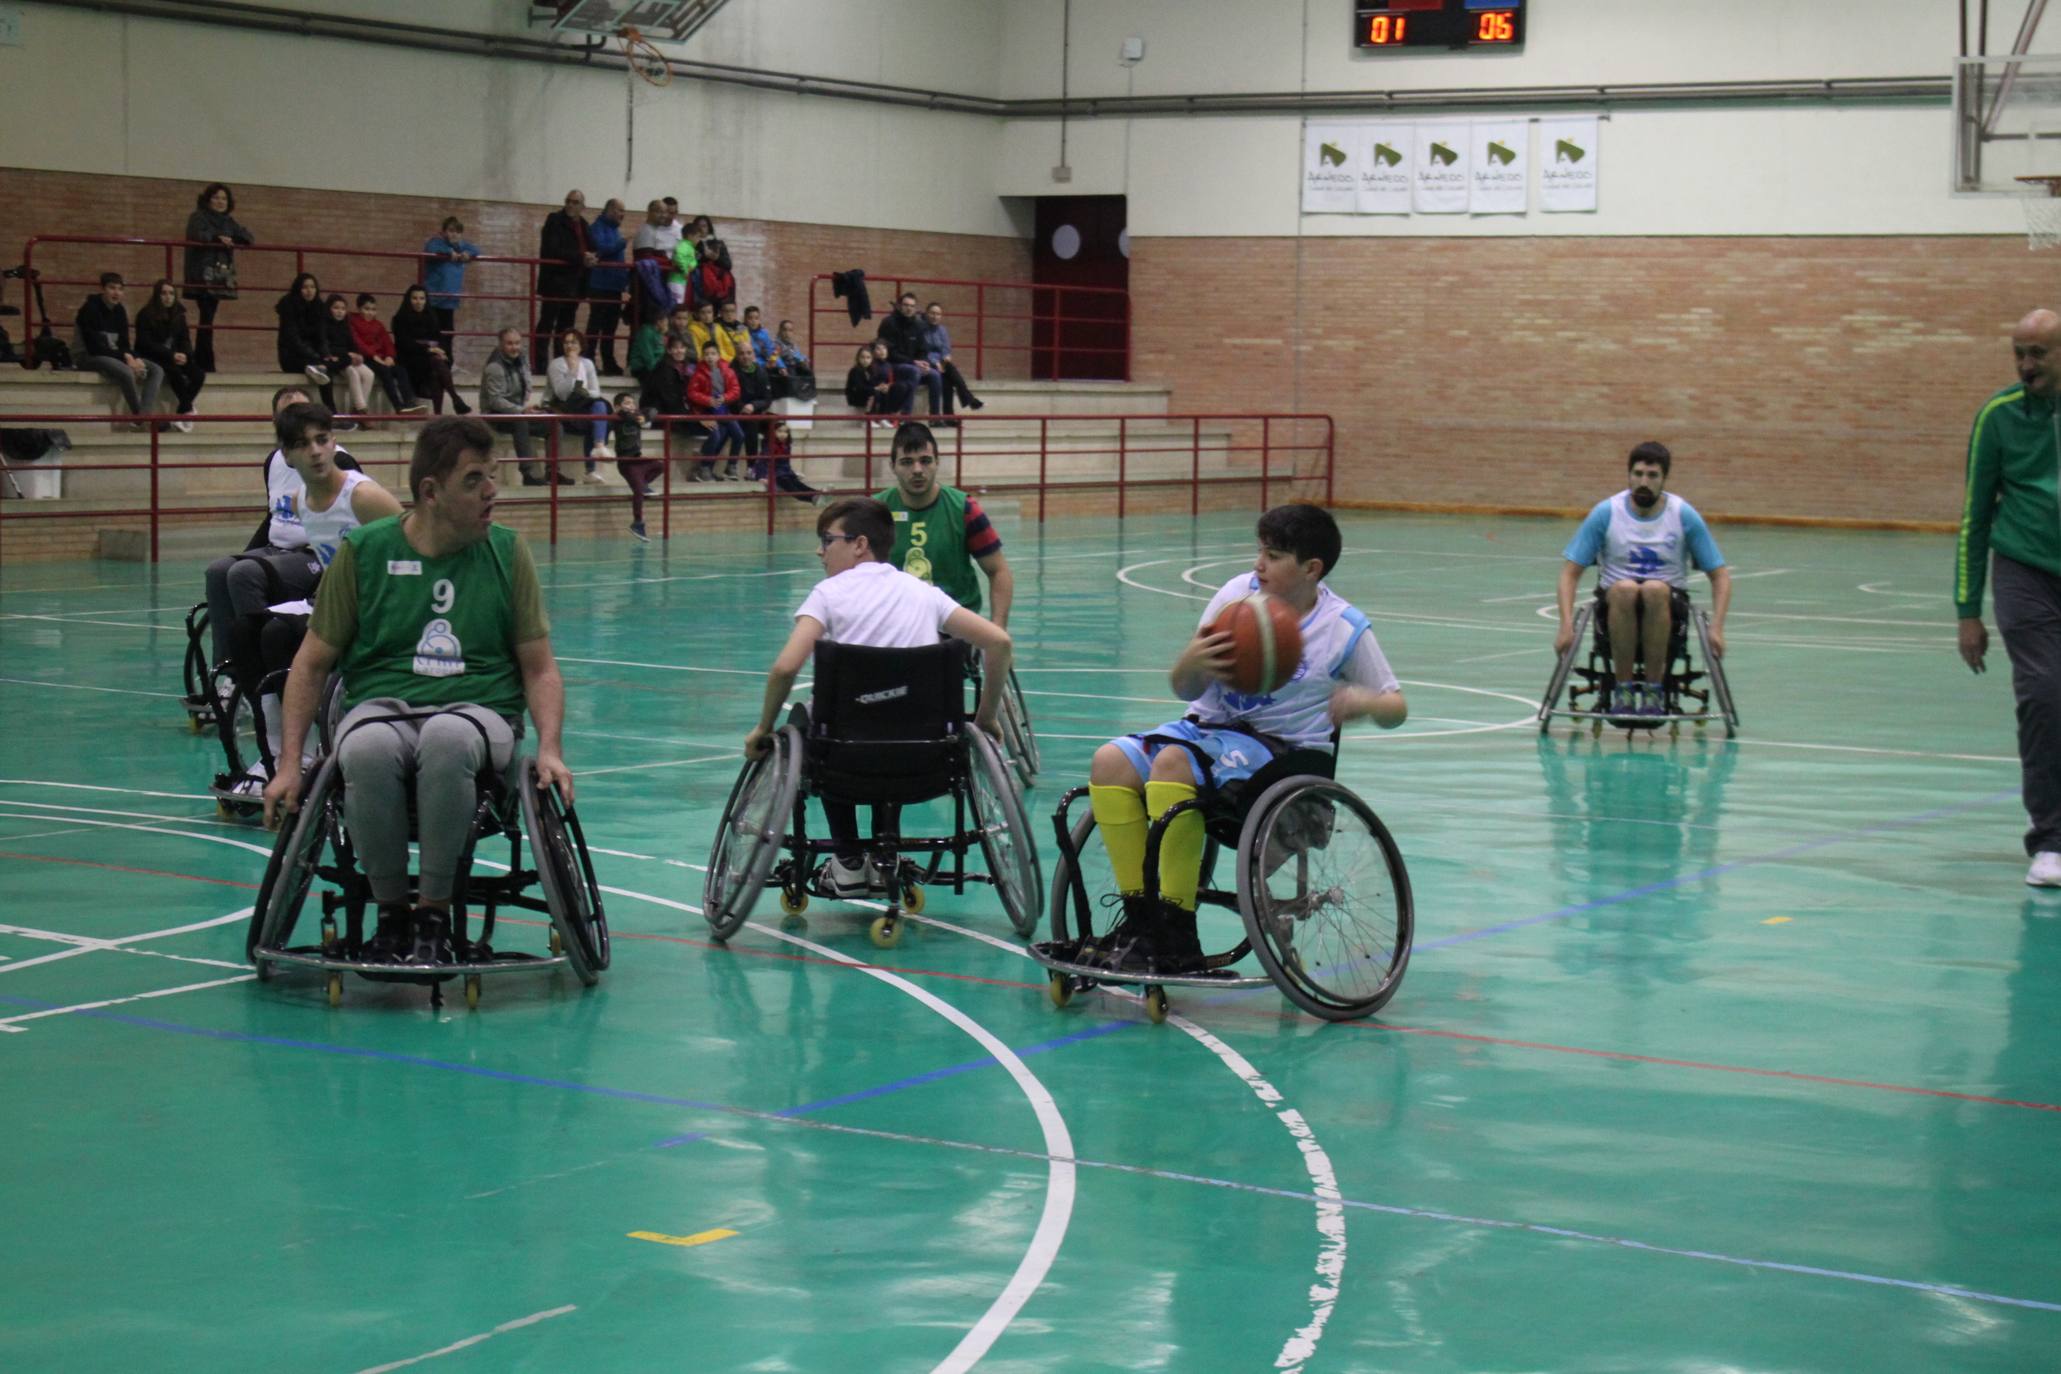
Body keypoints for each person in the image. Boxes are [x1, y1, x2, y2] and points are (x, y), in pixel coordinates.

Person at [263, 417, 573, 966]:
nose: (491, 491)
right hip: (382, 705)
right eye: (475, 479)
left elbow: (540, 669)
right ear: (430, 492)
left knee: (448, 737)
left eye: (492, 476)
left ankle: (432, 911)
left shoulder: (507, 552)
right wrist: (289, 764)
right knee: (363, 749)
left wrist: (549, 748)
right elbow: (310, 666)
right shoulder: (364, 552)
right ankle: (390, 914)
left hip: (479, 710)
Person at [1086, 503, 1406, 974]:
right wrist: (1191, 661)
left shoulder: (1342, 628)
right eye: (1260, 551)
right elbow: (1184, 689)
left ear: (1311, 568)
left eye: (1273, 556)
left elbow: (1396, 706)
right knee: (1108, 761)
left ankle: (1175, 934)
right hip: (1207, 732)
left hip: (1281, 755)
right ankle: (1142, 919)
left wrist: (1365, 703)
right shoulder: (1238, 597)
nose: (1259, 564)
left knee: (1173, 762)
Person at [743, 496, 1012, 897]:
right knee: (897, 719)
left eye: (827, 539)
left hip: (842, 761)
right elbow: (999, 642)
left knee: (820, 719)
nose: (820, 550)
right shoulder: (925, 594)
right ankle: (885, 856)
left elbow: (785, 668)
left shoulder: (827, 594)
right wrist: (987, 717)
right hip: (924, 762)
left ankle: (849, 860)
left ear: (859, 544)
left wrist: (763, 728)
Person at [219, 401, 405, 798]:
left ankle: (299, 754)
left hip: (381, 612)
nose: (317, 451)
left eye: (323, 440)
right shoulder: (304, 502)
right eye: (304, 444)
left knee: (278, 638)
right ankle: (272, 753)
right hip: (336, 607)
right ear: (287, 454)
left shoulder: (364, 495)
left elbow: (415, 553)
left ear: (334, 442)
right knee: (245, 631)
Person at [1956, 307, 2061, 887]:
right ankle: (2050, 839)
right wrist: (1968, 611)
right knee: (2045, 696)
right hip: (2026, 571)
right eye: (2019, 354)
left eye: (2038, 354)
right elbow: (1975, 517)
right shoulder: (1997, 417)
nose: (2026, 365)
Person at [1554, 441, 1731, 720]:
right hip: (1614, 602)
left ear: (1664, 479)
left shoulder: (1683, 514)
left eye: (1652, 475)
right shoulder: (1606, 512)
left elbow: (1719, 576)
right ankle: (1623, 690)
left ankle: (1654, 689)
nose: (1643, 482)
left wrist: (1717, 628)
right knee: (1625, 588)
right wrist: (1565, 625)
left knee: (1654, 589)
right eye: (1637, 474)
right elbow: (1569, 573)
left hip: (1669, 605)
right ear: (1628, 476)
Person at [199, 385, 358, 690]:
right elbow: (273, 517)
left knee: (244, 574)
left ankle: (262, 680)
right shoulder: (274, 462)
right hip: (277, 550)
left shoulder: (341, 466)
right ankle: (228, 677)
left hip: (314, 557)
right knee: (220, 571)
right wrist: (244, 554)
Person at [873, 420, 1013, 626]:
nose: (917, 469)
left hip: (954, 631)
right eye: (907, 462)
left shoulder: (964, 508)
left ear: (937, 462)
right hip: (895, 627)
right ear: (892, 466)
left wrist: (998, 630)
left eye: (926, 460)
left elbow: (998, 571)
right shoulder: (875, 511)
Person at [74, 273, 164, 429]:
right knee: (125, 372)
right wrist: (126, 357)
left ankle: (144, 415)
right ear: (102, 289)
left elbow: (124, 343)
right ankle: (141, 418)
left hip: (114, 356)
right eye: (112, 288)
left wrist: (135, 358)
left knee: (157, 370)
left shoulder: (120, 311)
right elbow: (95, 348)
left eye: (120, 289)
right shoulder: (89, 309)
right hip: (87, 356)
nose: (116, 293)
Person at [181, 182, 252, 373]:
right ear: (208, 199)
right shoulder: (198, 217)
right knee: (206, 317)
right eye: (216, 198)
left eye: (224, 198)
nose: (220, 202)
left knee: (208, 317)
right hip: (202, 274)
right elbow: (198, 236)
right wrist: (218, 238)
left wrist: (233, 239)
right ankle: (204, 361)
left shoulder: (228, 220)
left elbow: (248, 237)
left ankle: (203, 359)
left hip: (220, 275)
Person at [480, 326, 564, 485]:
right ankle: (528, 473)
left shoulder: (522, 359)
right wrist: (522, 410)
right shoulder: (495, 367)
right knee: (520, 421)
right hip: (495, 414)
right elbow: (495, 400)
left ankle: (553, 472)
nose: (515, 347)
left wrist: (531, 410)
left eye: (517, 343)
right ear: (500, 345)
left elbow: (526, 386)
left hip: (518, 411)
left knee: (554, 424)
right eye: (510, 344)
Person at [133, 277, 204, 431]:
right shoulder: (145, 315)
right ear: (157, 295)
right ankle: (187, 410)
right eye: (164, 293)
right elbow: (145, 343)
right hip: (154, 356)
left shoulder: (179, 315)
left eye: (171, 293)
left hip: (175, 356)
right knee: (174, 373)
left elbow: (185, 339)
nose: (168, 297)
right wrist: (171, 354)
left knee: (198, 374)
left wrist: (185, 354)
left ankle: (182, 411)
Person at [535, 189, 593, 369]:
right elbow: (552, 249)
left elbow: (591, 246)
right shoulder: (554, 220)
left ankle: (560, 362)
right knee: (547, 322)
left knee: (566, 325)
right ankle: (541, 364)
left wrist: (593, 257)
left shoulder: (584, 224)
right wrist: (581, 257)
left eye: (575, 202)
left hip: (575, 282)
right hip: (555, 281)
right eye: (568, 201)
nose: (570, 205)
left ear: (583, 206)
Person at [348, 294, 430, 418]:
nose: (370, 313)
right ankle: (398, 406)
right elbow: (357, 342)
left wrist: (390, 356)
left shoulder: (378, 325)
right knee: (385, 372)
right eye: (366, 309)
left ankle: (409, 402)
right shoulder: (352, 322)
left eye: (373, 309)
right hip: (366, 358)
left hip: (381, 359)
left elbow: (387, 342)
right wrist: (374, 356)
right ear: (359, 309)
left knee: (400, 370)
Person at [391, 284, 469, 415]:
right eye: (414, 298)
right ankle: (455, 399)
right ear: (408, 300)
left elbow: (438, 338)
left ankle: (439, 413)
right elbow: (405, 344)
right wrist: (430, 349)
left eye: (422, 298)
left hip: (429, 359)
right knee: (437, 363)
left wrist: (441, 351)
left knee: (437, 369)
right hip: (409, 359)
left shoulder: (431, 316)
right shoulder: (399, 319)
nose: (418, 302)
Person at [546, 328, 613, 475]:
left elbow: (596, 391)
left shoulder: (588, 363)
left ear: (581, 345)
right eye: (566, 342)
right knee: (596, 415)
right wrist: (572, 370)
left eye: (574, 342)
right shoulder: (556, 364)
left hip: (582, 403)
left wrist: (584, 393)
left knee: (600, 406)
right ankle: (593, 464)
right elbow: (561, 394)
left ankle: (598, 449)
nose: (570, 346)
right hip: (562, 406)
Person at [874, 291, 942, 417]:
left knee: (935, 375)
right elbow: (889, 352)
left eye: (912, 306)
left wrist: (924, 363)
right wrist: (913, 363)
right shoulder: (888, 323)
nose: (909, 308)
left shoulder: (919, 325)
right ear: (900, 306)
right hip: (893, 365)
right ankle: (906, 415)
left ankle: (935, 417)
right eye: (906, 305)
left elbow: (923, 350)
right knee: (914, 371)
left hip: (913, 364)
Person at [421, 217, 481, 359]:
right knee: (432, 332)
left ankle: (446, 362)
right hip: (433, 299)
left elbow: (476, 249)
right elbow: (431, 248)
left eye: (458, 232)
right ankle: (432, 361)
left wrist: (467, 253)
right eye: (451, 231)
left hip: (449, 301)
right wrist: (448, 252)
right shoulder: (436, 243)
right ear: (443, 232)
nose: (454, 234)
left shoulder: (461, 247)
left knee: (448, 333)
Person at [584, 197, 629, 375]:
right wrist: (621, 244)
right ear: (609, 210)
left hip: (614, 285)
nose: (622, 215)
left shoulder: (614, 230)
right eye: (619, 210)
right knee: (596, 324)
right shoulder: (597, 228)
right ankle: (588, 360)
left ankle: (608, 361)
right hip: (600, 284)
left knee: (610, 327)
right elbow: (599, 249)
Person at [688, 339, 744, 480]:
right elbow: (692, 393)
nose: (710, 357)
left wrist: (725, 397)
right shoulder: (698, 373)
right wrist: (707, 400)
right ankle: (705, 467)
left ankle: (731, 466)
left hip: (724, 410)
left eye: (713, 353)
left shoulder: (728, 371)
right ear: (702, 356)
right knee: (717, 435)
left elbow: (736, 390)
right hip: (707, 412)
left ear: (719, 355)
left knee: (739, 435)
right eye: (706, 354)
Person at [612, 390, 662, 542]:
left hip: (638, 459)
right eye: (627, 403)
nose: (631, 406)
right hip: (626, 462)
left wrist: (645, 417)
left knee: (660, 465)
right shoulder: (618, 418)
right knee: (638, 491)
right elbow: (626, 416)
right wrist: (638, 417)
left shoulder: (637, 415)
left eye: (633, 403)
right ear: (617, 407)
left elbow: (653, 410)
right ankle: (638, 522)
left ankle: (645, 485)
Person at [318, 294, 374, 426]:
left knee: (368, 374)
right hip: (338, 362)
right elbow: (327, 347)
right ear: (329, 309)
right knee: (353, 373)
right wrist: (348, 354)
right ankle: (362, 410)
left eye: (343, 308)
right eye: (336, 308)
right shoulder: (324, 325)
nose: (339, 311)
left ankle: (356, 410)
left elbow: (353, 344)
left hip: (349, 358)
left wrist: (357, 355)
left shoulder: (346, 325)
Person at [922, 301, 984, 416]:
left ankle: (949, 416)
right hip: (928, 363)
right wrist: (936, 363)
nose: (935, 317)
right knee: (949, 376)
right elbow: (924, 350)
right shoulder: (922, 329)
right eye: (932, 313)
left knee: (948, 381)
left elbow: (946, 348)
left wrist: (945, 357)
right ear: (926, 314)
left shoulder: (943, 330)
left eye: (938, 314)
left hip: (943, 363)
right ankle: (968, 399)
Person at [274, 273, 329, 389]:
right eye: (305, 287)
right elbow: (292, 339)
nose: (309, 291)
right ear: (298, 289)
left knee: (327, 366)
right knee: (319, 366)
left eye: (312, 287)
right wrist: (313, 355)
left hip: (313, 354)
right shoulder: (289, 306)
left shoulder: (319, 307)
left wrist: (324, 353)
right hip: (291, 355)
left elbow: (321, 336)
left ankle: (329, 406)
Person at [731, 337, 773, 463]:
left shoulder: (761, 371)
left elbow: (767, 399)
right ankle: (751, 465)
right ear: (737, 356)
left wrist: (754, 406)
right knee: (751, 422)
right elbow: (729, 396)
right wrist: (743, 407)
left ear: (753, 354)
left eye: (749, 353)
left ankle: (775, 464)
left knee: (778, 425)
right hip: (736, 412)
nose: (746, 356)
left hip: (754, 410)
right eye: (742, 353)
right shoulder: (730, 371)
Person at [845, 343, 903, 424]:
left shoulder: (871, 370)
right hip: (856, 396)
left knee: (884, 392)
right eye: (862, 357)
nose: (865, 360)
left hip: (867, 393)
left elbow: (874, 383)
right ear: (858, 358)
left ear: (872, 359)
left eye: (868, 358)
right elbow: (859, 388)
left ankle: (883, 418)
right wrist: (874, 388)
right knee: (874, 393)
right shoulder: (855, 371)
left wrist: (882, 387)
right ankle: (869, 419)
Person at [772, 318, 818, 401]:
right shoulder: (776, 344)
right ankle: (797, 394)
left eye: (790, 330)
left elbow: (799, 356)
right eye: (785, 330)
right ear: (780, 331)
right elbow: (777, 358)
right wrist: (783, 366)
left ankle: (809, 394)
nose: (787, 333)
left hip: (794, 368)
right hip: (783, 370)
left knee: (808, 371)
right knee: (791, 371)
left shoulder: (793, 345)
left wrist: (804, 361)